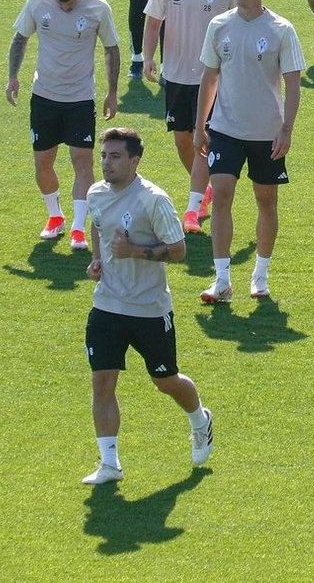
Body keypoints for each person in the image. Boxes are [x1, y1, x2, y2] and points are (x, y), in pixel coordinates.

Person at [81, 128, 213, 485]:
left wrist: (134, 252)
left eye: (115, 157)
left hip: (149, 310)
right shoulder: (96, 193)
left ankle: (200, 420)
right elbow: (98, 225)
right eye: (104, 156)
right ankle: (110, 463)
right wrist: (98, 260)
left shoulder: (153, 200)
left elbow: (179, 250)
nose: (106, 163)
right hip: (107, 305)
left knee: (165, 380)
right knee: (102, 382)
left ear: (134, 160)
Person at [194, 0, 304, 303]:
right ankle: (222, 279)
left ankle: (260, 274)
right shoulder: (219, 25)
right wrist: (200, 125)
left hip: (267, 133)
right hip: (225, 129)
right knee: (222, 192)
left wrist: (286, 129)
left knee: (266, 200)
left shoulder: (280, 29)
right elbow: (209, 78)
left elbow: (293, 84)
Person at [8, 0, 120, 252]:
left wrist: (112, 92)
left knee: (82, 162)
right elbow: (20, 38)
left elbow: (111, 48)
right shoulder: (38, 0)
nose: (65, 8)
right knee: (43, 163)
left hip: (80, 98)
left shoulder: (97, 7)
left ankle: (79, 228)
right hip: (44, 95)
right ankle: (55, 215)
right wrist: (12, 77)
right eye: (60, 4)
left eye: (70, 3)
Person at [142, 0, 235, 233]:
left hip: (212, 77)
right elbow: (153, 20)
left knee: (201, 140)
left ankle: (192, 209)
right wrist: (148, 58)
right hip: (176, 74)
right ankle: (206, 190)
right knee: (183, 139)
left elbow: (240, 24)